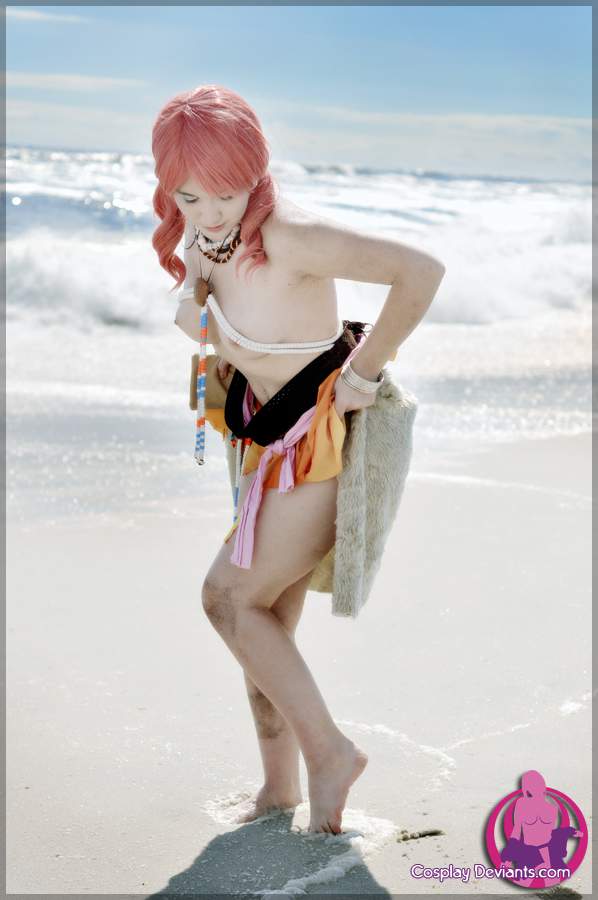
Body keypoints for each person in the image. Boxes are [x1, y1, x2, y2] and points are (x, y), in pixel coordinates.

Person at [152, 84, 445, 834]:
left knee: (227, 600)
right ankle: (278, 790)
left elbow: (421, 270)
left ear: (254, 172)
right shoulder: (206, 236)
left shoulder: (290, 235)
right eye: (189, 196)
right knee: (265, 629)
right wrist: (194, 293)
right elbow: (217, 308)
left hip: (319, 445)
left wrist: (364, 374)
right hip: (260, 442)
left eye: (226, 193)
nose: (208, 213)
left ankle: (332, 755)